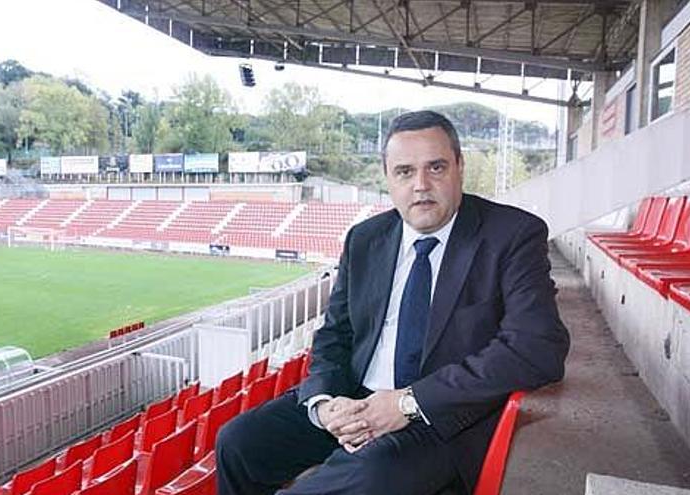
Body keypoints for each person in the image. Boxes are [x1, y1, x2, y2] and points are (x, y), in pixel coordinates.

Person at [216, 110, 571, 495]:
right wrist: (325, 404)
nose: (421, 185)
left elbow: (538, 347)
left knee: (367, 476)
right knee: (238, 442)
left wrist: (407, 403)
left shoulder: (511, 235)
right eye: (404, 172)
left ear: (459, 168)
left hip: (438, 417)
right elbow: (335, 334)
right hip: (354, 400)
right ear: (388, 178)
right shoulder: (365, 238)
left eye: (436, 167)